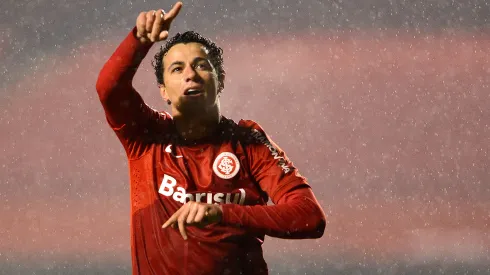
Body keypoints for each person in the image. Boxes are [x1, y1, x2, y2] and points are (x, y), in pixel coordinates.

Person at [95, 2, 326, 274]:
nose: (191, 75)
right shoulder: (146, 137)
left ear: (221, 80)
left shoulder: (249, 142)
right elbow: (109, 88)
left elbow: (310, 218)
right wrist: (138, 42)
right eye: (177, 69)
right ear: (164, 91)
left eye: (201, 65)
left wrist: (220, 213)